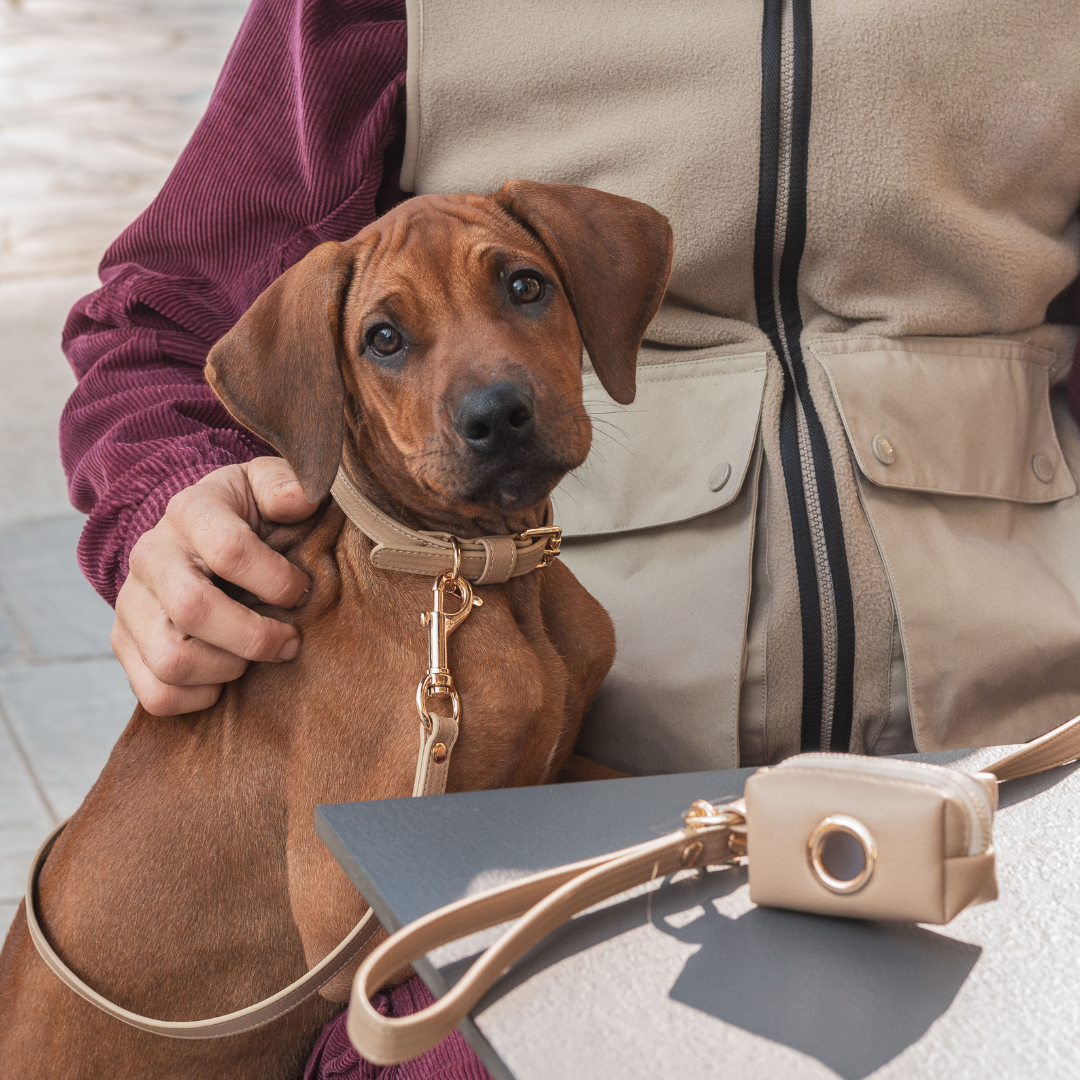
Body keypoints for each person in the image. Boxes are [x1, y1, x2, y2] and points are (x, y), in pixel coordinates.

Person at [60, 0, 1080, 1074]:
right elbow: (165, 313)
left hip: (1022, 759)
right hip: (551, 844)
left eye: (521, 289)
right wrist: (166, 508)